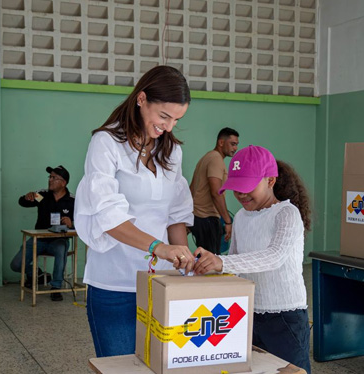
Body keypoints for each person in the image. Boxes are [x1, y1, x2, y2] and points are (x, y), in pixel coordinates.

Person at [74, 65, 198, 358]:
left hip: (162, 283)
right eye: (164, 116)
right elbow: (108, 216)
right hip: (115, 282)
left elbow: (176, 213)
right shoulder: (106, 144)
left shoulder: (171, 152)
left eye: (176, 120)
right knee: (120, 364)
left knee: (163, 364)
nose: (168, 127)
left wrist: (183, 257)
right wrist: (159, 248)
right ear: (141, 99)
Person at [188, 145, 312, 373]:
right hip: (247, 312)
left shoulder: (286, 214)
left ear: (270, 180)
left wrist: (222, 262)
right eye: (236, 188)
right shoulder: (243, 217)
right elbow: (235, 262)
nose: (241, 195)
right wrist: (206, 266)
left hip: (284, 315)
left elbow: (274, 257)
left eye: (247, 187)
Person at [10, 165, 74, 302]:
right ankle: (35, 274)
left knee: (61, 247)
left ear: (63, 182)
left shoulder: (72, 200)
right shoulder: (43, 196)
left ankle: (56, 287)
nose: (50, 180)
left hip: (59, 240)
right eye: (49, 177)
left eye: (54, 177)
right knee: (15, 264)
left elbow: (85, 221)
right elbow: (22, 202)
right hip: (38, 239)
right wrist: (27, 197)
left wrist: (72, 223)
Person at [189, 127, 239, 254]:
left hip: (198, 216)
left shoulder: (207, 157)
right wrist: (227, 221)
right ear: (221, 142)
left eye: (237, 145)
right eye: (232, 144)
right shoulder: (216, 159)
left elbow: (192, 188)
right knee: (210, 265)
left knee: (204, 262)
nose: (235, 148)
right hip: (207, 218)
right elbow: (216, 192)